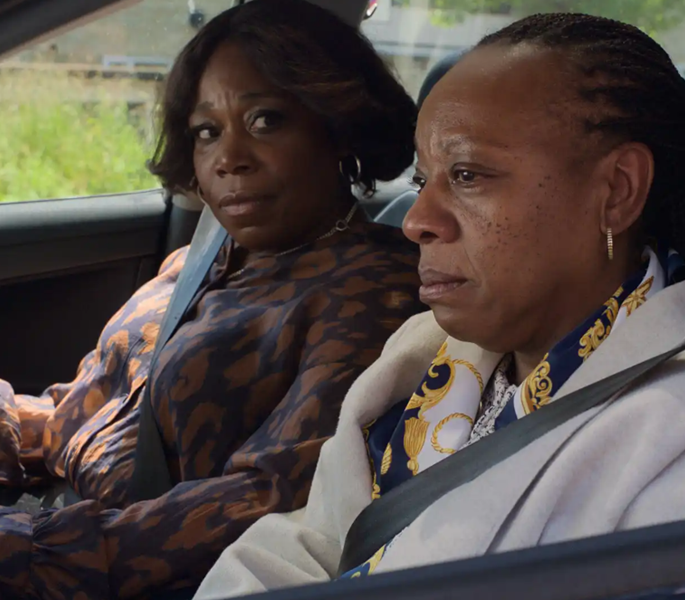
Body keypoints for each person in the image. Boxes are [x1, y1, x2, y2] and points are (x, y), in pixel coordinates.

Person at [0, 1, 423, 598]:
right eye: (207, 132)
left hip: (115, 568)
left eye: (267, 120)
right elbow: (78, 418)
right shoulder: (209, 258)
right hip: (56, 525)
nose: (229, 157)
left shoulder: (374, 293)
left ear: (338, 124)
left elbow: (268, 501)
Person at [193, 12, 685, 599]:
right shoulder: (420, 360)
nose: (418, 221)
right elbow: (311, 544)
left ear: (617, 191)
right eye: (422, 179)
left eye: (468, 174)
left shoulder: (666, 437)